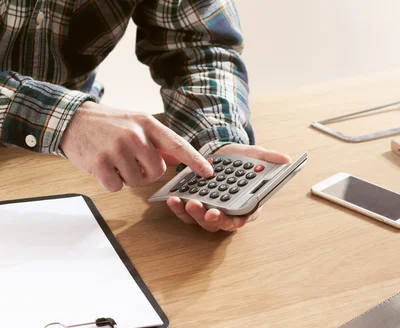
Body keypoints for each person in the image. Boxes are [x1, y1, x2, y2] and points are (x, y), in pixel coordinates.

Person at [0, 0, 290, 232]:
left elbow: (200, 48)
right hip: (68, 136)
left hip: (66, 163)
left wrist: (214, 139)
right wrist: (65, 119)